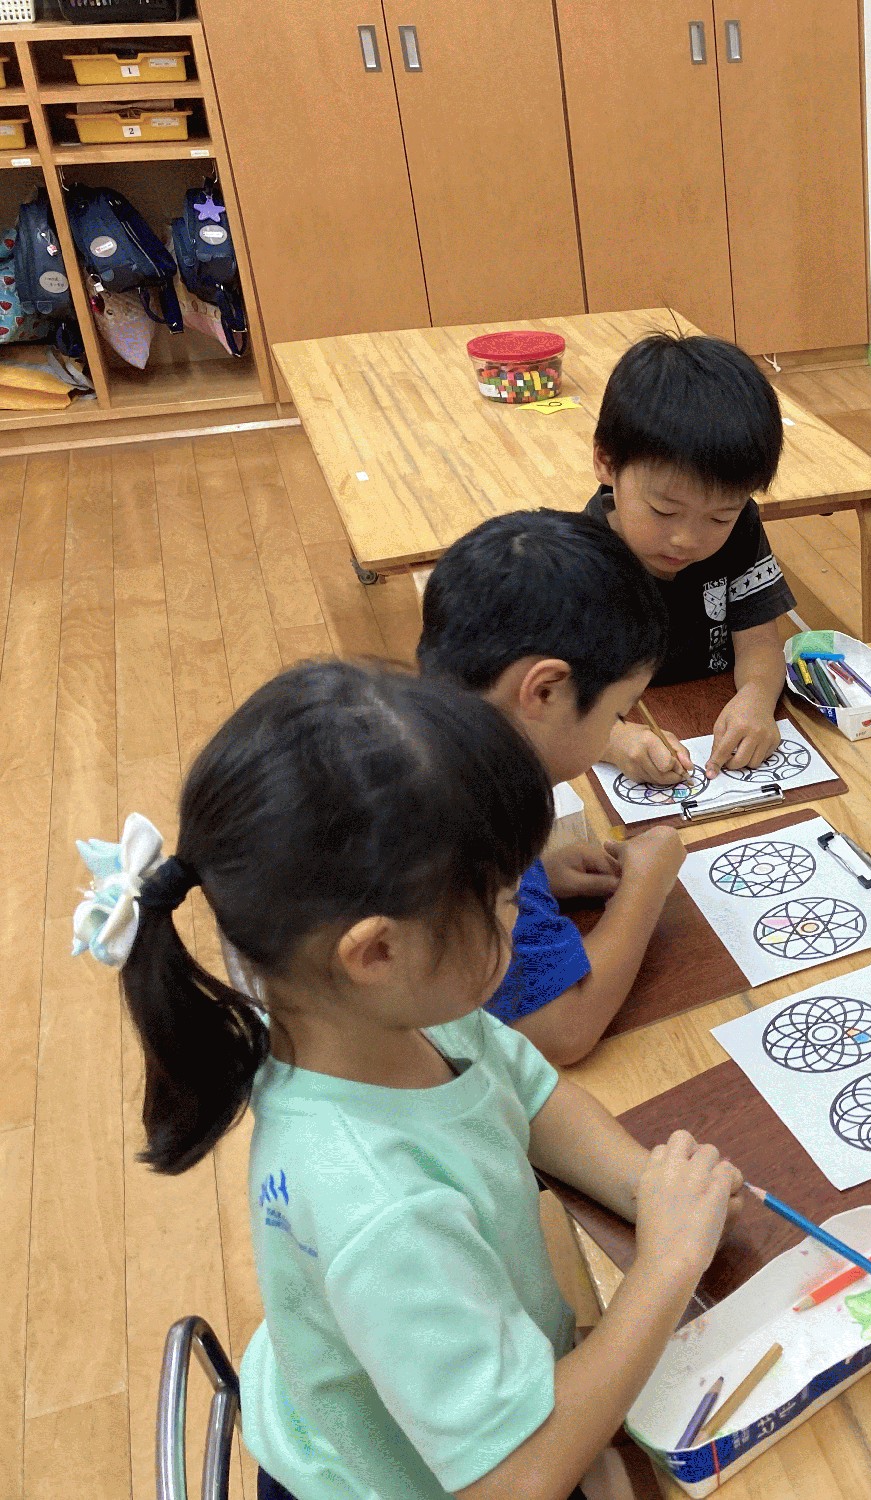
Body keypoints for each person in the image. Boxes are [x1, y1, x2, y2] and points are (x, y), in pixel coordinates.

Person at [90, 660, 741, 1500]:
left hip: (453, 1408)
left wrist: (647, 1186)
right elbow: (511, 1482)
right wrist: (665, 1268)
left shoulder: (372, 1016)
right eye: (502, 899)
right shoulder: (381, 1207)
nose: (523, 911)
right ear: (377, 952)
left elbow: (528, 1092)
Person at [418, 509, 686, 1066]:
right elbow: (562, 1031)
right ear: (545, 692)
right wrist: (644, 887)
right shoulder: (475, 824)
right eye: (616, 713)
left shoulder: (422, 734)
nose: (615, 728)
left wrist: (538, 876)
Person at [585, 332, 794, 784]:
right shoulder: (579, 557)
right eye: (664, 511)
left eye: (719, 517)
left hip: (710, 713)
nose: (686, 540)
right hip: (620, 735)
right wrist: (613, 740)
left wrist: (757, 697)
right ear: (606, 462)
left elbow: (759, 642)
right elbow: (546, 704)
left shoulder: (742, 528)